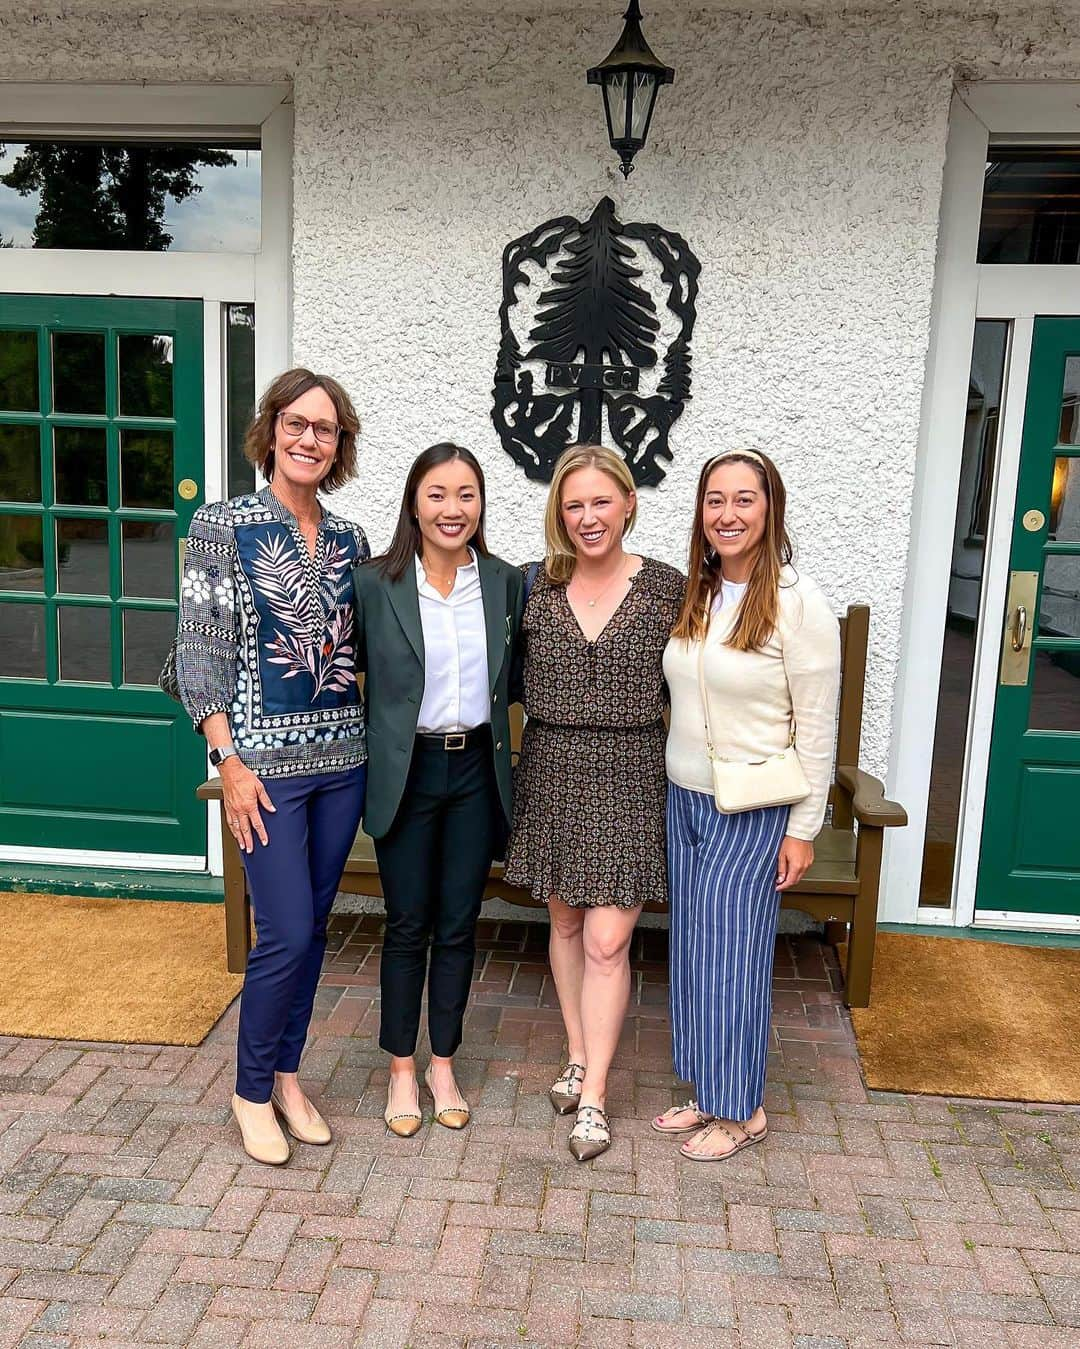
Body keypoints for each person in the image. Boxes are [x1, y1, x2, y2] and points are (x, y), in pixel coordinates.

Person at [175, 368, 369, 1166]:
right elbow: (199, 651)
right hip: (266, 773)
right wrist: (230, 761)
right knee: (284, 930)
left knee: (315, 926)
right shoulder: (222, 526)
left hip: (345, 763)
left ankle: (289, 1076)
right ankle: (250, 1090)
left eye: (324, 429)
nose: (308, 439)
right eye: (296, 423)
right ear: (271, 431)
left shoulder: (353, 539)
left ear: (339, 444)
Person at [657, 449, 841, 1160]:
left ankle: (741, 1111)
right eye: (715, 500)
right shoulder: (698, 592)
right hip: (686, 796)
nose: (728, 514)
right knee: (696, 951)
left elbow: (817, 726)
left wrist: (803, 828)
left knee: (734, 955)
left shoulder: (798, 602)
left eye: (744, 500)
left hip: (755, 804)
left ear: (771, 510)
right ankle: (710, 1090)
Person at [504, 444, 684, 1161]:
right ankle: (577, 1052)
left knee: (611, 939)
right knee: (568, 922)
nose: (588, 517)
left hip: (631, 770)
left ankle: (597, 1096)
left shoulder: (670, 587)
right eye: (573, 504)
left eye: (601, 502)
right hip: (551, 767)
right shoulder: (534, 587)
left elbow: (702, 679)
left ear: (629, 503)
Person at [352, 444, 524, 1137]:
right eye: (437, 494)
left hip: (476, 771)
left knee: (458, 923)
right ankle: (400, 1067)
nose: (452, 509)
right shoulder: (374, 583)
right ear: (413, 503)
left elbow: (515, 681)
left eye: (466, 494)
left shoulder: (507, 584)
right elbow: (352, 676)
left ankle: (442, 1062)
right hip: (408, 772)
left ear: (481, 505)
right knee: (406, 924)